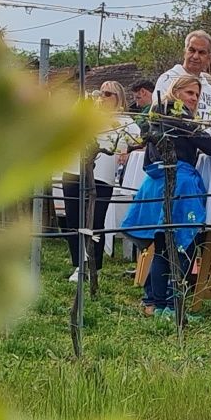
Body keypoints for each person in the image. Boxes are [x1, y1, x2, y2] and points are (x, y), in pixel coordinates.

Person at [123, 72, 211, 318]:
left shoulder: (159, 114)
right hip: (178, 184)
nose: (194, 98)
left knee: (164, 245)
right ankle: (168, 304)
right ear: (176, 92)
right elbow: (209, 145)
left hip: (159, 181)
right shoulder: (178, 116)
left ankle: (158, 303)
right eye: (189, 93)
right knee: (178, 246)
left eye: (197, 95)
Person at [65, 82, 140, 286]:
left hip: (101, 175)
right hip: (73, 169)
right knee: (73, 219)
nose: (102, 97)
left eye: (108, 94)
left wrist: (128, 151)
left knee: (95, 221)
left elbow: (139, 141)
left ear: (119, 98)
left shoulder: (124, 121)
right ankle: (78, 263)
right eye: (100, 93)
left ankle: (92, 265)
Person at [154, 29, 211, 121]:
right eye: (191, 50)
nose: (195, 56)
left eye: (201, 52)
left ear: (209, 58)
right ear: (185, 52)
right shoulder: (168, 79)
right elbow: (160, 116)